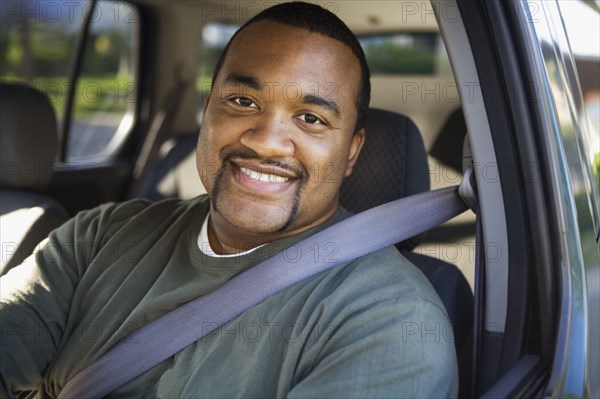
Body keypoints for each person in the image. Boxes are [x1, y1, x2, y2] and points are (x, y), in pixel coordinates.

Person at [0, 2, 458, 397]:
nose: (267, 142)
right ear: (207, 112)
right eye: (242, 101)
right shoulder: (99, 235)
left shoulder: (388, 319)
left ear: (352, 151)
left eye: (310, 118)